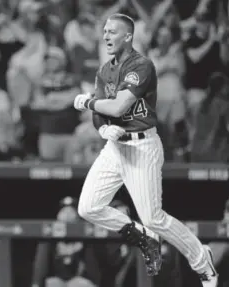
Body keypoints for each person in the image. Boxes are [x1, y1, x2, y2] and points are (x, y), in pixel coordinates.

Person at [73, 13, 218, 286]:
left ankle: (201, 258)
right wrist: (103, 129)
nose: (105, 36)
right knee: (88, 207)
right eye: (104, 31)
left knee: (154, 217)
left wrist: (88, 103)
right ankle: (142, 236)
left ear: (128, 36)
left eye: (112, 32)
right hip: (115, 147)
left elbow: (117, 107)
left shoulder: (141, 65)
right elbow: (103, 114)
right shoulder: (104, 70)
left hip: (142, 146)